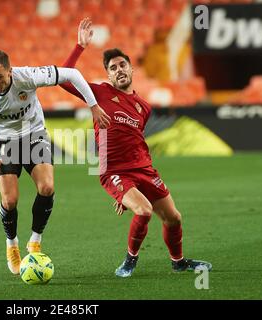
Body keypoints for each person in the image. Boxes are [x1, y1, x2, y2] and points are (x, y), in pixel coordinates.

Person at [59, 18, 212, 277]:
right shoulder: (99, 93)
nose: (118, 69)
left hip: (143, 168)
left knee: (174, 217)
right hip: (114, 170)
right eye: (112, 67)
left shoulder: (144, 107)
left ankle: (178, 262)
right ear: (108, 74)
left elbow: (133, 139)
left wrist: (127, 193)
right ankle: (130, 260)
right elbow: (63, 79)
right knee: (144, 211)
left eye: (122, 65)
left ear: (131, 69)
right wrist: (79, 47)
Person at [0, 49, 111, 275]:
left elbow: (72, 75)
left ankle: (35, 240)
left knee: (47, 187)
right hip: (3, 141)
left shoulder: (28, 76)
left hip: (33, 134)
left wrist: (93, 106)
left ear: (10, 70)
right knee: (9, 201)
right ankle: (12, 244)